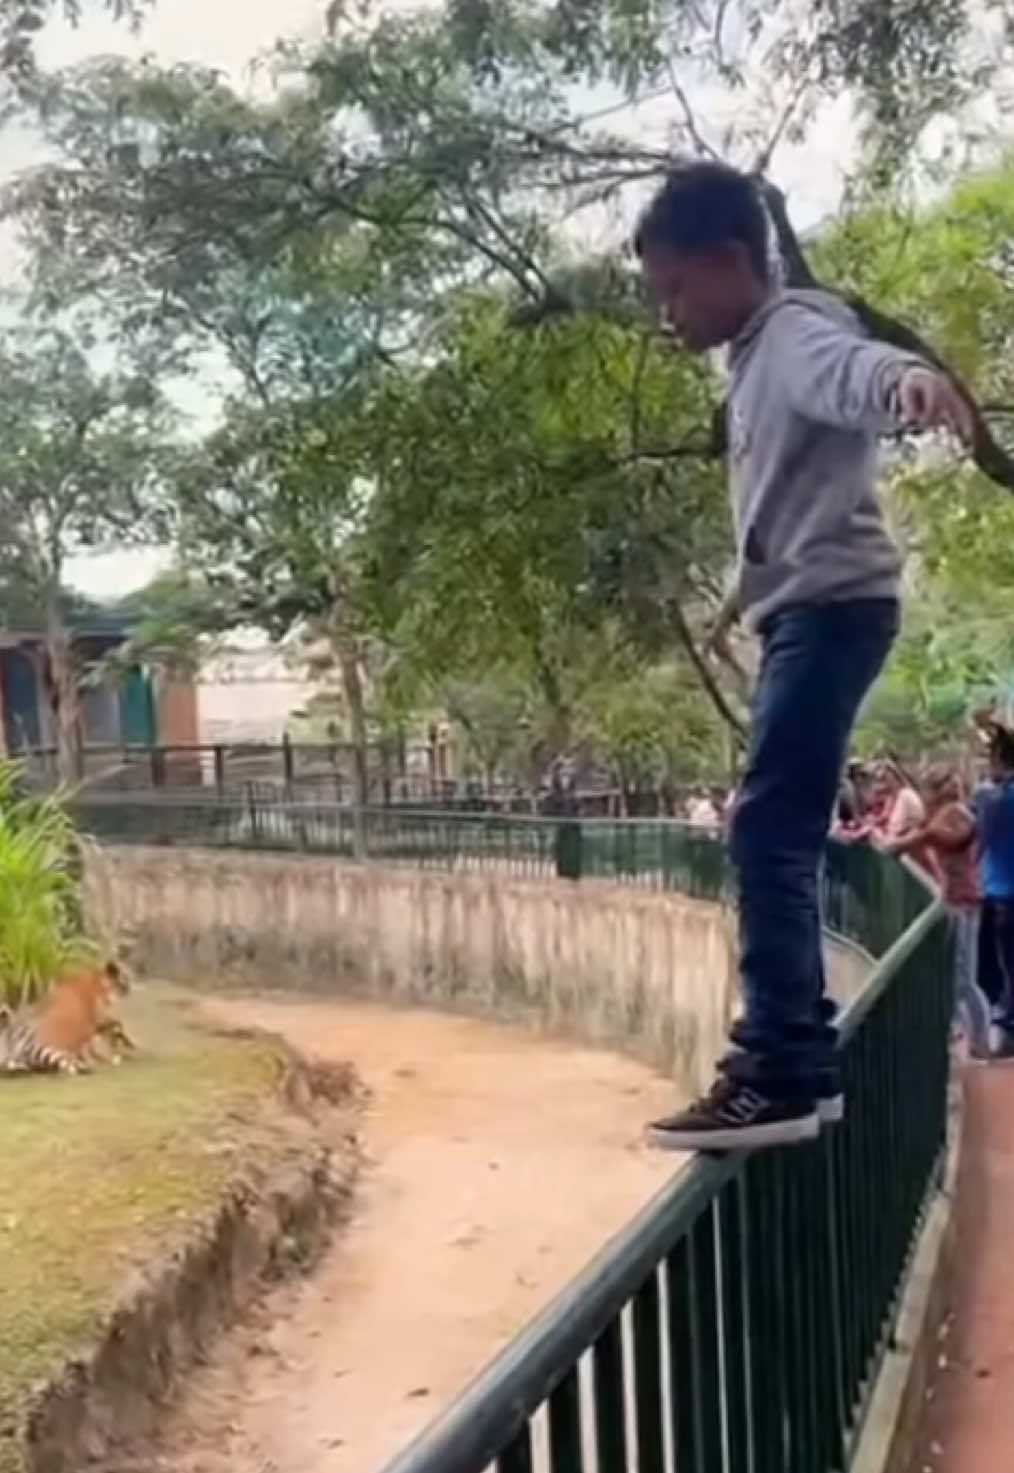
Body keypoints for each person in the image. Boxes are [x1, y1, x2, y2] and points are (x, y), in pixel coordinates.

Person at [634, 161, 973, 1150]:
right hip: (808, 611)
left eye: (674, 289)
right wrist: (740, 599)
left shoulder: (790, 334)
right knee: (772, 823)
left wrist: (906, 381)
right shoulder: (748, 360)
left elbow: (851, 370)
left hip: (830, 611)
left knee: (766, 832)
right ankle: (802, 1067)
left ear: (730, 259)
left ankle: (778, 1068)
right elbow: (787, 502)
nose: (667, 314)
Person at [882, 764, 991, 1059]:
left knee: (964, 979)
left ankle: (979, 1042)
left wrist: (913, 838)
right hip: (954, 900)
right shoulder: (941, 817)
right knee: (955, 976)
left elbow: (948, 838)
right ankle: (962, 1037)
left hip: (964, 902)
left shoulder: (956, 815)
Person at [974, 726, 1014, 1056]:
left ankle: (1005, 1028)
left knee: (1000, 966)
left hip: (999, 893)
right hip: (1000, 892)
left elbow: (981, 835)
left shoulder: (991, 797)